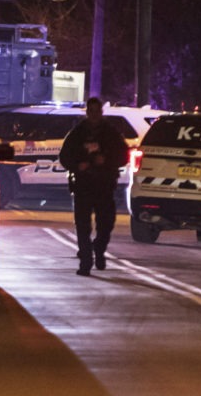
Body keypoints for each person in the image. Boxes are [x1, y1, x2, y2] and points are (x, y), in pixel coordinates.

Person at [58, 98, 129, 276]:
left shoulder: (111, 133)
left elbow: (123, 156)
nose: (94, 114)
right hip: (83, 185)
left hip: (104, 185)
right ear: (87, 112)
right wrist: (78, 165)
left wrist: (106, 161)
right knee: (82, 226)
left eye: (97, 111)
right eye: (91, 111)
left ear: (101, 113)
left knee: (106, 224)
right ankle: (86, 262)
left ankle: (98, 248)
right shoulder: (77, 133)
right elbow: (65, 157)